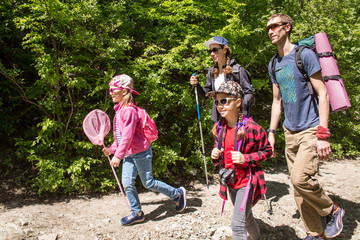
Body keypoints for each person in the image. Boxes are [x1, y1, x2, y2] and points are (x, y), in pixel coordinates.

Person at [266, 13, 345, 240]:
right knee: (299, 191)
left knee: (299, 179)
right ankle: (315, 233)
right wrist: (272, 133)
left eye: (274, 26)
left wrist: (323, 133)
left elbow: (323, 94)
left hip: (310, 129)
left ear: (287, 27)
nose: (270, 31)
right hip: (289, 131)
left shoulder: (305, 55)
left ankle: (333, 210)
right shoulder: (274, 63)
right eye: (268, 28)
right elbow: (276, 101)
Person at [102, 74, 186, 226]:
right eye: (110, 90)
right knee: (127, 183)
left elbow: (127, 137)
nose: (111, 93)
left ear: (125, 92)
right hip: (128, 153)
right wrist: (112, 150)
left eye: (114, 90)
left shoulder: (128, 111)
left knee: (148, 182)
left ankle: (177, 194)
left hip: (140, 152)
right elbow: (120, 138)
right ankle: (137, 213)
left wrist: (118, 156)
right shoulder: (119, 110)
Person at [208, 80, 272, 240]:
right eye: (217, 102)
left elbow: (268, 151)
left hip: (247, 182)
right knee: (247, 217)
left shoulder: (252, 128)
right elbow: (223, 156)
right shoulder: (220, 128)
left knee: (237, 224)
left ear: (238, 102)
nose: (219, 105)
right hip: (230, 182)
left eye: (224, 101)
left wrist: (246, 158)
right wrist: (216, 155)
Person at [190, 36, 254, 121]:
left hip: (238, 119)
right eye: (210, 51)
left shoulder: (238, 70)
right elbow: (206, 94)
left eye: (215, 50)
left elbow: (249, 93)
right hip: (219, 119)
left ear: (225, 50)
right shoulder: (211, 72)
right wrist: (196, 85)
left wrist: (239, 106)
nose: (212, 54)